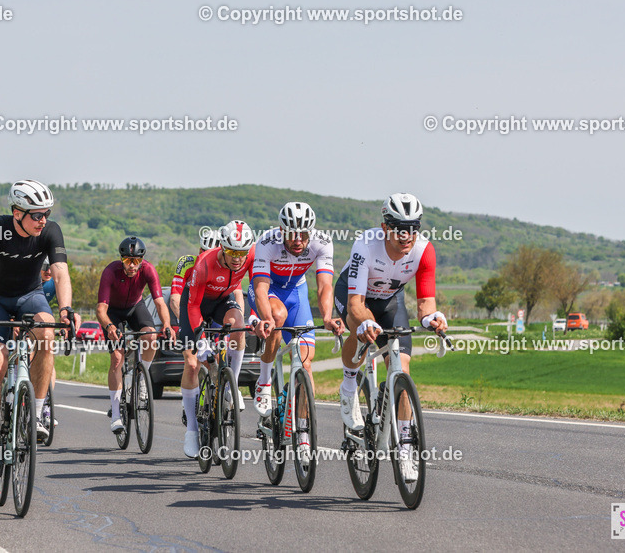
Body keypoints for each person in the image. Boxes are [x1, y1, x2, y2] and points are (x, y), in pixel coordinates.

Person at [335, 193, 448, 483]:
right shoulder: (366, 246)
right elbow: (356, 305)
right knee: (358, 332)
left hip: (389, 302)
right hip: (354, 297)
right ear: (385, 227)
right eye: (399, 227)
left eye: (413, 228)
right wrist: (365, 322)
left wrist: (431, 319)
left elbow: (425, 303)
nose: (407, 235)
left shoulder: (424, 250)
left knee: (402, 368)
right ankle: (349, 388)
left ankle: (406, 448)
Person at [0, 179, 77, 479]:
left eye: (46, 213)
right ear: (17, 213)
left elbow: (60, 273)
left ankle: (39, 409)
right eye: (36, 214)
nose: (43, 219)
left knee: (47, 334)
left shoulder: (50, 231)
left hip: (31, 296)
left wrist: (66, 310)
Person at [251, 202, 345, 458]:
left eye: (303, 234)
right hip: (268, 289)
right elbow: (259, 288)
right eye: (292, 234)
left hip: (297, 291)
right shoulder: (267, 242)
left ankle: (303, 432)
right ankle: (265, 380)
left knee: (306, 363)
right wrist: (267, 318)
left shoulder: (322, 242)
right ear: (282, 229)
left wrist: (327, 316)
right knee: (278, 317)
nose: (298, 240)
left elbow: (325, 286)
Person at [179, 220, 255, 458]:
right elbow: (192, 306)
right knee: (193, 364)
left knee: (239, 326)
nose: (237, 258)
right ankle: (191, 430)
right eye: (232, 252)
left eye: (241, 253)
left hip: (223, 301)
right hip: (196, 304)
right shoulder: (204, 264)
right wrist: (200, 339)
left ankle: (231, 385)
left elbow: (255, 285)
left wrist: (254, 315)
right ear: (222, 247)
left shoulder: (250, 255)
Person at [98, 236, 173, 432]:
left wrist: (166, 324)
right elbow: (101, 310)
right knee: (116, 359)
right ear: (121, 259)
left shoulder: (148, 270)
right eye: (128, 261)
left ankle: (141, 378)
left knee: (151, 337)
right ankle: (115, 414)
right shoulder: (110, 272)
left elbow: (159, 302)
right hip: (112, 312)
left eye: (136, 261)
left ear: (142, 261)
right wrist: (109, 327)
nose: (132, 266)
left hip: (135, 307)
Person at [169, 226, 220, 326]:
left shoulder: (227, 268)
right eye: (206, 253)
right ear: (200, 251)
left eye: (214, 255)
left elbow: (236, 294)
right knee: (189, 337)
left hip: (212, 310)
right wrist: (185, 322)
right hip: (189, 309)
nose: (209, 259)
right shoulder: (187, 263)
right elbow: (175, 299)